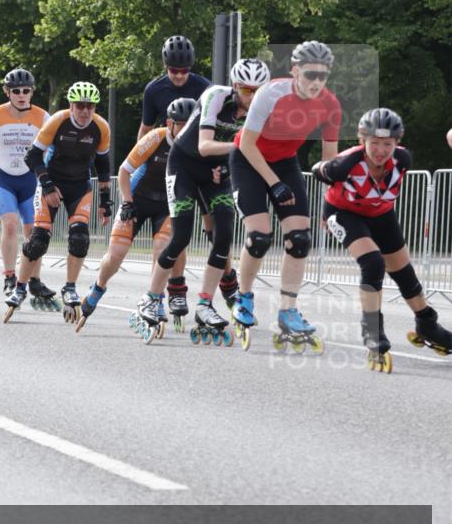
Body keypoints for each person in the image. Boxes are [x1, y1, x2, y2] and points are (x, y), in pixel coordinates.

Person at [133, 59, 271, 345]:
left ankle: (205, 304)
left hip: (216, 173)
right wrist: (240, 149)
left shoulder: (262, 110)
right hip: (184, 166)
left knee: (224, 235)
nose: (252, 96)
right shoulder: (215, 96)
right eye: (246, 89)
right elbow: (204, 145)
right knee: (181, 235)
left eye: (259, 90)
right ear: (235, 86)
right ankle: (151, 298)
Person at [313, 107, 451, 369]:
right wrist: (325, 215)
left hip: (382, 215)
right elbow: (319, 171)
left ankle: (427, 324)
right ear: (362, 141)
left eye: (387, 144)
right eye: (374, 143)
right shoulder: (346, 164)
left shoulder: (404, 160)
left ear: (397, 143)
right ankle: (372, 329)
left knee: (405, 274)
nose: (380, 150)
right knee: (373, 263)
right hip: (345, 214)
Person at [231, 41, 342, 351]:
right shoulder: (270, 94)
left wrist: (330, 204)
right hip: (249, 160)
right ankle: (243, 297)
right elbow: (247, 145)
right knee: (260, 236)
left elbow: (329, 162)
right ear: (295, 71)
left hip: (285, 163)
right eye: (309, 74)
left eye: (323, 75)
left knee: (300, 239)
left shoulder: (330, 104)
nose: (316, 82)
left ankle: (288, 311)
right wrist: (273, 182)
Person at [77, 97, 196, 332]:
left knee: (163, 250)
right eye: (181, 124)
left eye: (190, 124)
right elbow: (123, 171)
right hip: (138, 199)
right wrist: (128, 202)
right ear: (170, 123)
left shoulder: (195, 144)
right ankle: (98, 287)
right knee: (116, 255)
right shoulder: (155, 138)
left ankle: (156, 300)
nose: (186, 129)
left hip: (168, 204)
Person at [3, 82, 113, 323]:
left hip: (79, 186)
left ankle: (70, 287)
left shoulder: (101, 127)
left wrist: (106, 201)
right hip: (51, 182)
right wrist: (48, 186)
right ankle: (20, 288)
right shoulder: (57, 121)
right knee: (38, 241)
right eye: (80, 106)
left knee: (79, 238)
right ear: (71, 105)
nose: (85, 111)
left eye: (90, 106)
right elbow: (32, 156)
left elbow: (103, 167)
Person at [0, 68, 55, 305]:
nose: (21, 95)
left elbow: (51, 145)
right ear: (7, 92)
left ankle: (34, 280)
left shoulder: (44, 117)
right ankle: (10, 276)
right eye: (16, 91)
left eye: (26, 91)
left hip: (29, 179)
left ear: (32, 92)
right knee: (10, 225)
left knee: (35, 231)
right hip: (4, 177)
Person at [138, 35, 210, 139]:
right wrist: (138, 154)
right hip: (168, 143)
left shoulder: (206, 88)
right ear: (165, 66)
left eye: (184, 71)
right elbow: (145, 130)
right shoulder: (153, 90)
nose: (179, 76)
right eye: (174, 71)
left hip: (197, 143)